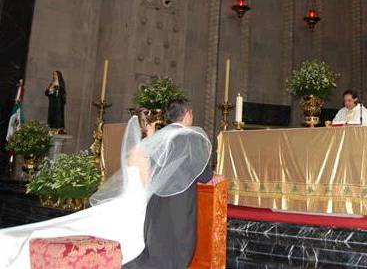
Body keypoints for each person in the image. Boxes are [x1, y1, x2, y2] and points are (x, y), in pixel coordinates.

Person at [0, 102, 212, 268]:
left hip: (134, 196)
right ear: (187, 114)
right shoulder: (174, 141)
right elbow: (150, 182)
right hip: (142, 198)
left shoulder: (145, 148)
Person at [124, 99, 213, 269]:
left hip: (156, 197)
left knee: (158, 243)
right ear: (187, 114)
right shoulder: (191, 137)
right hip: (179, 200)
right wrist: (211, 176)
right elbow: (202, 172)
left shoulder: (161, 135)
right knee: (178, 246)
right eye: (191, 113)